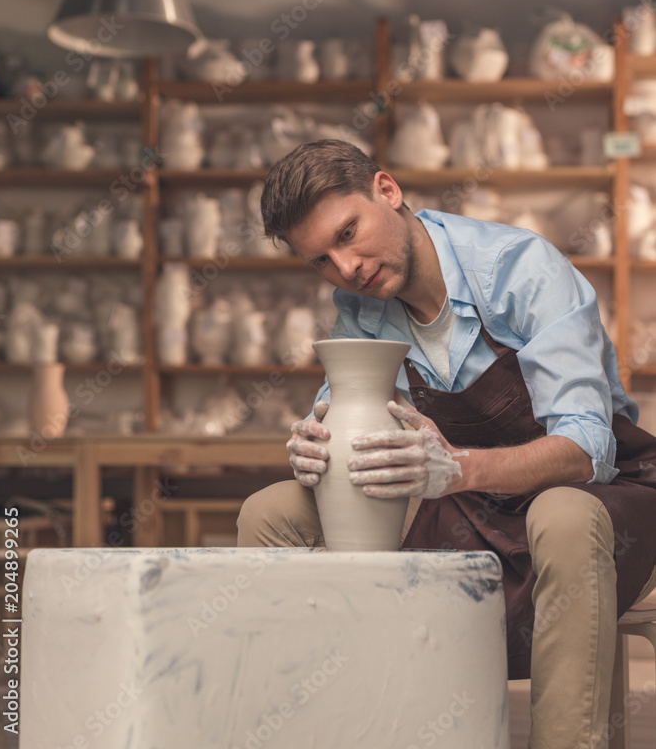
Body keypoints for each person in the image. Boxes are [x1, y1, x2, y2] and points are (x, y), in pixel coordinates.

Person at [237, 139, 656, 749]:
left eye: (349, 232)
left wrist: (458, 469)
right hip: (468, 507)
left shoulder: (518, 269)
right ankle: (326, 730)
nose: (347, 267)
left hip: (598, 498)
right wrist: (313, 447)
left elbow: (587, 448)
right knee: (270, 512)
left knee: (561, 512)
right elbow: (338, 413)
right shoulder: (361, 307)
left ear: (387, 190)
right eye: (322, 259)